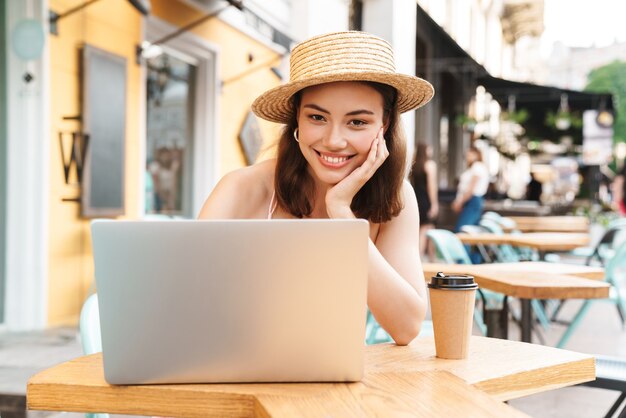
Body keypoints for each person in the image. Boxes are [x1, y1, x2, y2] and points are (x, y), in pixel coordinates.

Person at [198, 31, 434, 345]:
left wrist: (342, 215)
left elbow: (406, 327)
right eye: (317, 117)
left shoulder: (396, 199)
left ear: (385, 124)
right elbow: (188, 302)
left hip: (335, 381)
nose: (334, 140)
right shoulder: (241, 188)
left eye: (357, 122)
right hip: (234, 365)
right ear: (297, 119)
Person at [410, 143, 438, 260]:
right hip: (426, 200)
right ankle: (420, 257)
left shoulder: (415, 166)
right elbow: (431, 186)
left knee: (429, 228)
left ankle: (432, 256)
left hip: (416, 200)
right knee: (425, 229)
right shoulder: (430, 165)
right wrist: (434, 204)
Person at [451, 145, 489, 232]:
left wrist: (460, 202)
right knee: (470, 230)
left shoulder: (478, 166)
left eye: (470, 154)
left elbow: (471, 189)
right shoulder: (474, 167)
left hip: (472, 200)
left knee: (463, 230)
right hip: (471, 201)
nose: (467, 156)